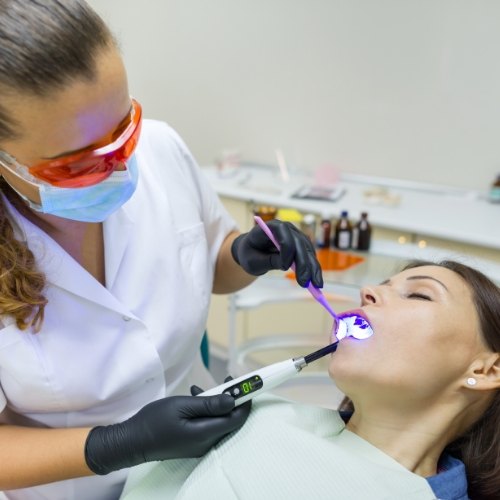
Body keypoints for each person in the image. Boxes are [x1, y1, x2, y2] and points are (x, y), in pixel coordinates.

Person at [0, 1, 324, 499]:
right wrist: (117, 444)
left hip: (203, 470)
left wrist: (242, 256)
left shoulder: (162, 149)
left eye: (122, 130)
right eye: (76, 164)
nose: (118, 167)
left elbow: (210, 263)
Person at [119, 260, 500, 500]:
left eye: (418, 295)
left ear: (485, 371)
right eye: (380, 284)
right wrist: (124, 445)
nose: (369, 292)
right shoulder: (261, 413)